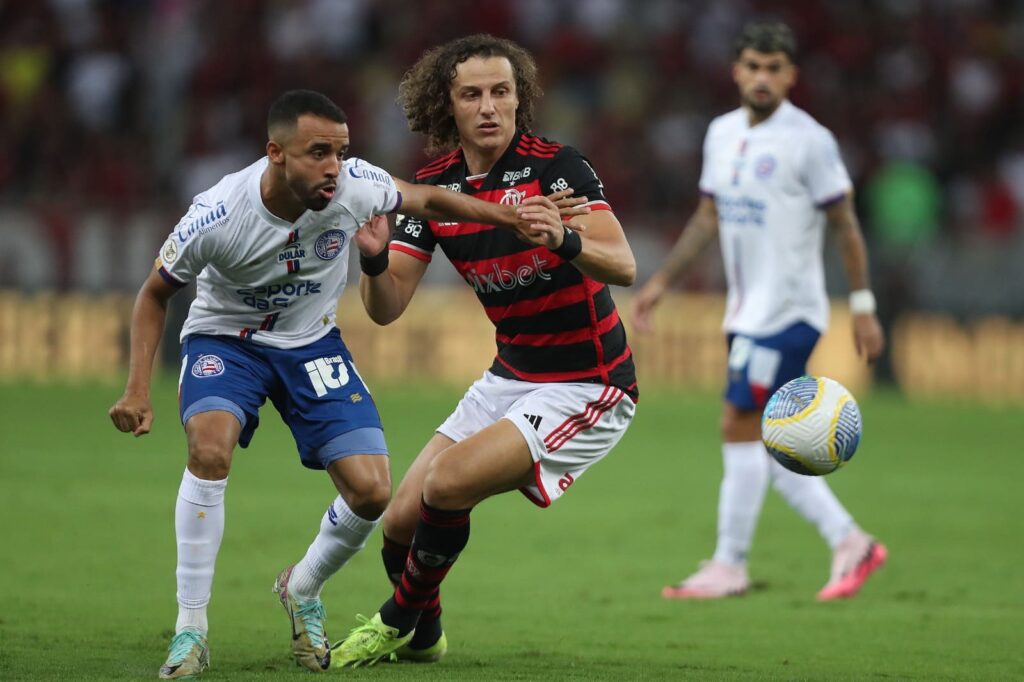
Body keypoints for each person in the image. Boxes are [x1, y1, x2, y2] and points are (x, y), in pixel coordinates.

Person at [107, 89, 568, 679]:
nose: (335, 166)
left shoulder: (355, 185)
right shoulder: (218, 213)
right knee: (210, 449)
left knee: (373, 491)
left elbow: (425, 198)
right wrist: (137, 388)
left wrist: (514, 214)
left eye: (342, 151)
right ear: (276, 154)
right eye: (318, 152)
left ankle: (301, 588)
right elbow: (154, 293)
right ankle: (190, 630)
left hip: (310, 345)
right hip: (227, 340)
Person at [329, 34, 638, 667]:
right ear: (449, 106)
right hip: (511, 376)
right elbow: (386, 308)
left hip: (590, 383)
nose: (490, 106)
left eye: (502, 92)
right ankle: (425, 637)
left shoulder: (558, 167)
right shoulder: (434, 190)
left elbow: (625, 266)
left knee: (448, 483)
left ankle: (394, 619)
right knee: (398, 524)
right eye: (472, 94)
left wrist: (566, 241)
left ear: (520, 100)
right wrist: (374, 254)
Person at [631, 21, 888, 601]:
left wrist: (864, 305)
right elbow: (707, 216)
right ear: (736, 71)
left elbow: (846, 224)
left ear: (791, 75)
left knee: (739, 423)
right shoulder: (721, 133)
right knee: (768, 438)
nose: (763, 77)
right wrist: (664, 281)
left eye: (774, 68)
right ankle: (848, 540)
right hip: (745, 314)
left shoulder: (810, 141)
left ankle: (730, 563)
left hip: (789, 313)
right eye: (753, 66)